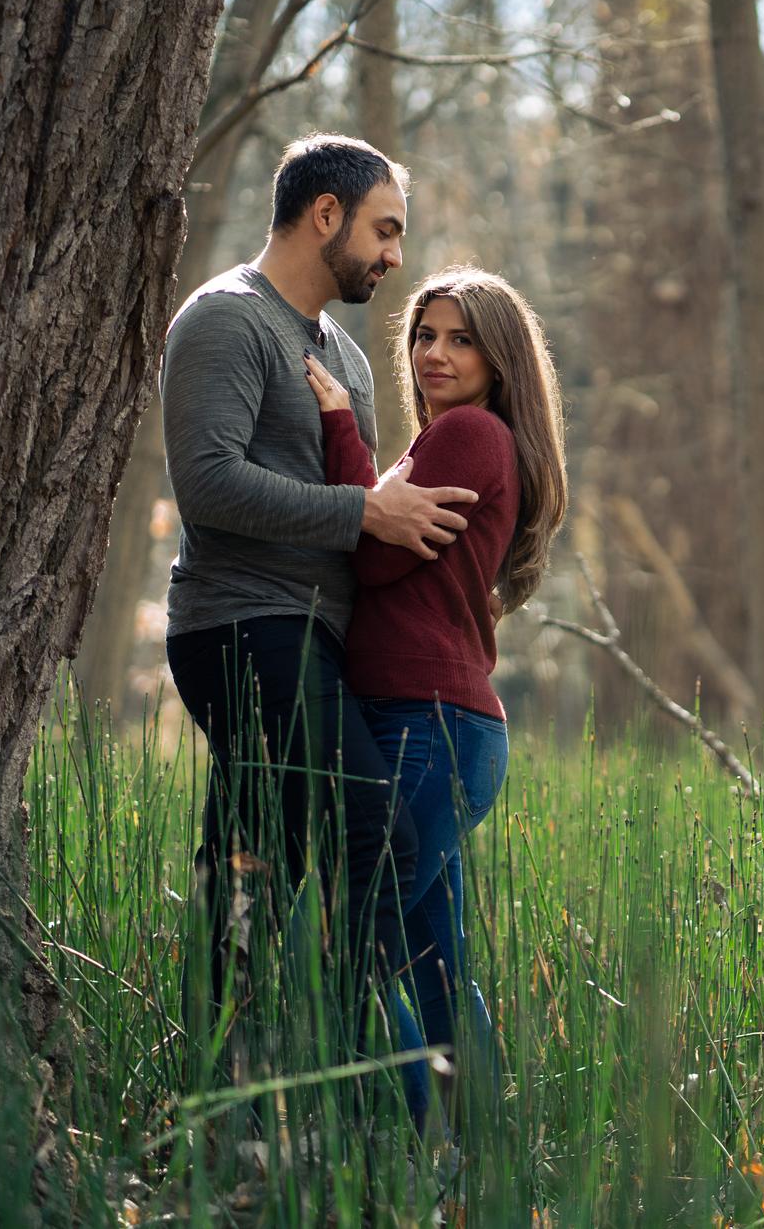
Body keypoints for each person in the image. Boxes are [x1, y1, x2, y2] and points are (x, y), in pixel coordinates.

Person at [161, 134, 478, 1080]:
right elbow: (209, 482)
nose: (393, 256)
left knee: (248, 870)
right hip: (241, 625)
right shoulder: (225, 319)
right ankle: (358, 1083)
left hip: (316, 638)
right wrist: (364, 509)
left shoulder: (343, 349)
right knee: (372, 832)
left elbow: (359, 500)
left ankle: (232, 1102)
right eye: (384, 230)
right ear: (326, 214)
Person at [302, 265, 569, 1137]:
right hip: (434, 724)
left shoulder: (467, 437)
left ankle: (416, 1146)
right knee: (435, 964)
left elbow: (374, 555)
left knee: (349, 946)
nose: (434, 354)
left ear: (500, 359)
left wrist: (341, 428)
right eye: (424, 335)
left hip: (429, 727)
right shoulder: (453, 442)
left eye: (460, 339)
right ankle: (488, 1172)